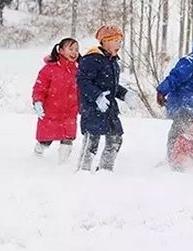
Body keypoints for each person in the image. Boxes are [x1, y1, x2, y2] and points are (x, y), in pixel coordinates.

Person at [76, 25, 136, 172]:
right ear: (104, 41)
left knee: (115, 138)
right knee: (92, 141)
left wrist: (124, 94)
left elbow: (111, 86)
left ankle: (105, 171)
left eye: (120, 41)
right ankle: (83, 171)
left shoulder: (113, 62)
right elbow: (82, 81)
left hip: (110, 109)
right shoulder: (92, 59)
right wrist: (97, 96)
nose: (119, 44)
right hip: (92, 108)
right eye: (115, 40)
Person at [31, 38, 80, 164]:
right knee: (45, 141)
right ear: (61, 50)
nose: (74, 52)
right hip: (51, 113)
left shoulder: (78, 71)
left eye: (76, 49)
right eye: (71, 48)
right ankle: (36, 158)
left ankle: (62, 167)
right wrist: (37, 101)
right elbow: (39, 88)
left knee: (68, 140)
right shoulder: (49, 69)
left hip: (70, 114)